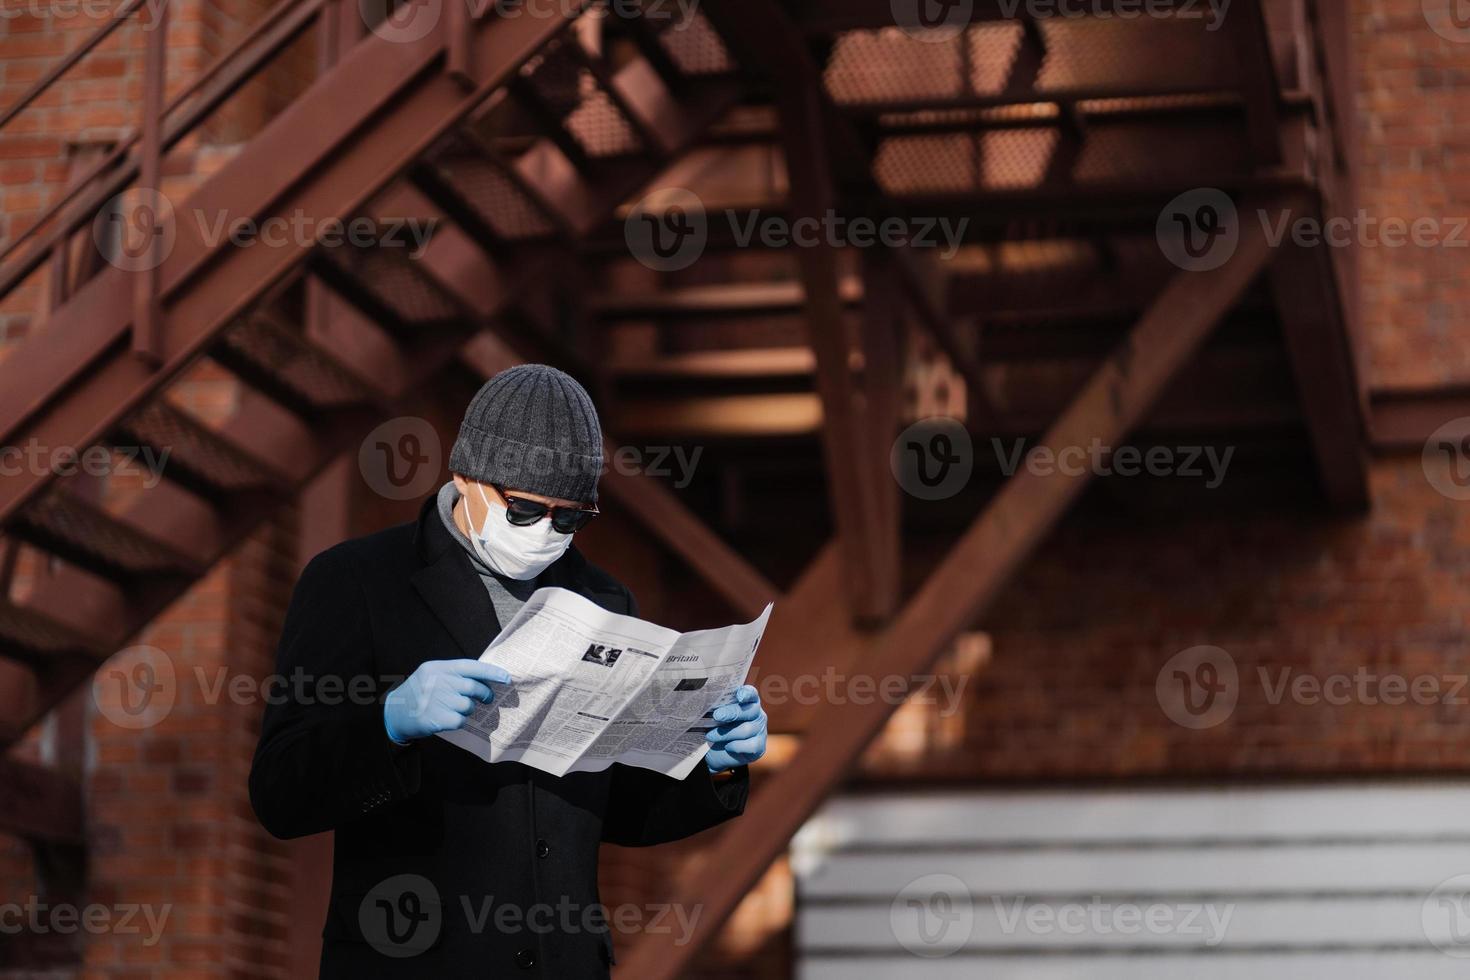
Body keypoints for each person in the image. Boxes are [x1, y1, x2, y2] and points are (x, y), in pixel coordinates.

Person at [249, 364, 768, 978]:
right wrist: (388, 723)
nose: (545, 532)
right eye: (523, 509)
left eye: (569, 518)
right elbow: (281, 794)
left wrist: (714, 763)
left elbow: (614, 809)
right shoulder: (356, 581)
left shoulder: (604, 600)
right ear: (465, 477)